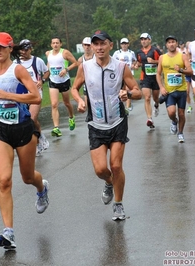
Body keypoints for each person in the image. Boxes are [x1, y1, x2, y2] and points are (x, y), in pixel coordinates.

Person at [0, 32, 49, 249]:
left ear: (9, 49)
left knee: (27, 177)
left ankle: (41, 188)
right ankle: (9, 232)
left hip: (23, 129)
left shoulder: (18, 70)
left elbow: (35, 96)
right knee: (4, 180)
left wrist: (9, 97)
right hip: (1, 131)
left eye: (1, 47)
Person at [71, 30, 142, 221]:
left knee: (116, 165)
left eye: (103, 44)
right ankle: (110, 182)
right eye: (96, 44)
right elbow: (74, 88)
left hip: (118, 121)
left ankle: (118, 204)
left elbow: (138, 91)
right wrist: (78, 100)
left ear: (111, 45)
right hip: (96, 124)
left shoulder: (121, 66)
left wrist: (129, 94)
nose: (99, 47)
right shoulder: (84, 67)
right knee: (101, 170)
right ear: (92, 47)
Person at [15, 39, 50, 156]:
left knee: (32, 119)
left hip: (36, 94)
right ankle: (41, 137)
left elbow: (46, 72)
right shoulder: (15, 63)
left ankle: (33, 145)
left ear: (30, 49)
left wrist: (42, 80)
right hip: (22, 96)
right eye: (21, 50)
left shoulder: (37, 61)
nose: (23, 52)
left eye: (26, 50)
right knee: (27, 120)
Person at [156, 36, 193, 143]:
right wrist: (161, 87)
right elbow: (158, 74)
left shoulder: (183, 56)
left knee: (181, 113)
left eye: (173, 42)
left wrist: (181, 70)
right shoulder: (162, 58)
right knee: (171, 112)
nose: (171, 44)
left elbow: (190, 71)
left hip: (181, 90)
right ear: (166, 45)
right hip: (169, 91)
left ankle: (180, 133)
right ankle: (174, 121)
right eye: (169, 42)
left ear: (176, 44)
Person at [46, 37, 79, 137]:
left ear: (60, 44)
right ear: (51, 45)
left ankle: (71, 117)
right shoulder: (48, 53)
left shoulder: (65, 53)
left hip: (64, 81)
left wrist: (66, 69)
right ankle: (56, 128)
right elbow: (49, 64)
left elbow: (76, 63)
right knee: (54, 104)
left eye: (57, 43)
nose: (55, 45)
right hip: (53, 81)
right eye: (53, 43)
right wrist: (45, 74)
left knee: (67, 103)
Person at [135, 33, 162, 129]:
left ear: (149, 40)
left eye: (145, 39)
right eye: (142, 39)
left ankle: (157, 105)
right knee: (147, 97)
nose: (143, 41)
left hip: (155, 77)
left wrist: (154, 61)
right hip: (145, 77)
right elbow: (139, 62)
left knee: (155, 98)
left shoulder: (155, 50)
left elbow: (163, 61)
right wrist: (137, 65)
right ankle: (149, 119)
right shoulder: (138, 52)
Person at [113, 37, 137, 112]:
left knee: (128, 89)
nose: (124, 45)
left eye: (125, 44)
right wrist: (118, 61)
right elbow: (112, 61)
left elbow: (135, 60)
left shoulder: (131, 52)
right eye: (123, 44)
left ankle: (127, 107)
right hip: (119, 74)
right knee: (121, 91)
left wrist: (133, 65)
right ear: (120, 45)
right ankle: (122, 106)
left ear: (128, 44)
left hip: (129, 73)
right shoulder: (117, 53)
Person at [78, 37, 94, 104]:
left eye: (88, 45)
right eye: (85, 45)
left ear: (92, 45)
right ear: (82, 45)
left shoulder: (97, 57)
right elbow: (80, 74)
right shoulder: (80, 60)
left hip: (98, 83)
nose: (87, 47)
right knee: (87, 103)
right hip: (87, 84)